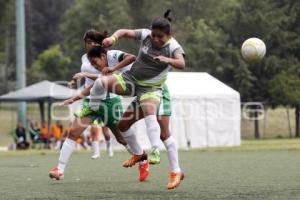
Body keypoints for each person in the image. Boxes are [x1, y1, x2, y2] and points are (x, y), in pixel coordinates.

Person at [87, 9, 185, 189]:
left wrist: (167, 59)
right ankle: (140, 154)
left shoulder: (173, 47)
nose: (155, 39)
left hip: (153, 90)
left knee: (164, 133)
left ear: (168, 36)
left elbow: (182, 63)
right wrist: (113, 39)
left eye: (160, 37)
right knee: (121, 123)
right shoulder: (146, 35)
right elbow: (124, 32)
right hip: (131, 82)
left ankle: (173, 169)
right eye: (154, 35)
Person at [49, 30, 147, 181]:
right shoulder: (85, 57)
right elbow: (90, 80)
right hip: (91, 99)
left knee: (121, 139)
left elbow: (106, 76)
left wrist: (85, 76)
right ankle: (59, 169)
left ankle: (142, 158)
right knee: (74, 132)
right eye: (86, 42)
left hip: (109, 101)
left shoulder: (108, 56)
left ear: (99, 43)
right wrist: (77, 84)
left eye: (91, 42)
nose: (88, 45)